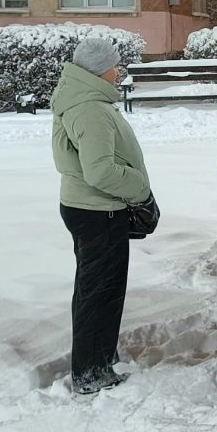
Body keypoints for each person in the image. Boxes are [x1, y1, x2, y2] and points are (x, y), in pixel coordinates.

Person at [51, 37, 153, 395]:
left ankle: (100, 360)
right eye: (115, 64)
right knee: (99, 293)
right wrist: (140, 189)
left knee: (104, 290)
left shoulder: (85, 99)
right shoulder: (90, 107)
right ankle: (90, 372)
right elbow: (100, 172)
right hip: (97, 210)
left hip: (95, 208)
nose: (118, 69)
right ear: (100, 69)